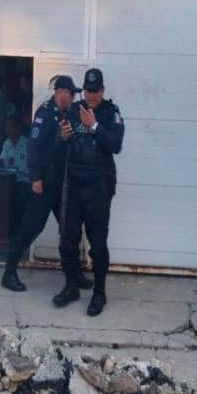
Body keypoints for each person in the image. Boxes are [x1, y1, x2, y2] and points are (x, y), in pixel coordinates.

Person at [0, 75, 93, 293]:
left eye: (73, 95)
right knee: (31, 228)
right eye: (69, 94)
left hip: (63, 185)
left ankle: (75, 273)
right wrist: (35, 178)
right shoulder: (44, 114)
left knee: (70, 229)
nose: (72, 98)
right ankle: (9, 272)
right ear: (59, 92)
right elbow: (34, 148)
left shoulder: (68, 112)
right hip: (44, 184)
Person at [55, 68, 124, 317]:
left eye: (95, 91)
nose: (91, 95)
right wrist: (62, 137)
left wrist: (94, 125)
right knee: (68, 240)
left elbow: (116, 145)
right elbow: (61, 143)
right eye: (88, 91)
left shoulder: (110, 112)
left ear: (102, 91)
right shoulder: (74, 110)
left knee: (98, 243)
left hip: (99, 188)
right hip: (74, 186)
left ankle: (99, 293)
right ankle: (71, 286)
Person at [0, 117, 30, 237]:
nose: (7, 130)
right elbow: (2, 161)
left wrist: (14, 167)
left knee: (19, 199)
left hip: (23, 181)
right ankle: (7, 233)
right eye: (6, 127)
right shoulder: (7, 143)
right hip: (9, 181)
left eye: (10, 127)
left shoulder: (27, 143)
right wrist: (6, 164)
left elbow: (28, 166)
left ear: (18, 129)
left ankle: (19, 232)